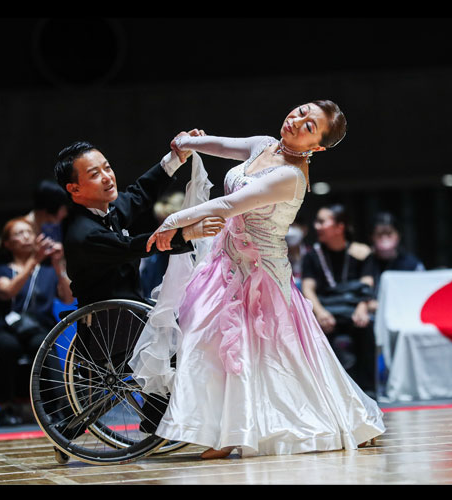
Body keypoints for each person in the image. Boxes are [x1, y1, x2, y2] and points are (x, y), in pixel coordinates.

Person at [130, 100, 385, 460]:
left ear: (317, 148)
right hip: (225, 260)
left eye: (310, 126)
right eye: (300, 112)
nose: (297, 122)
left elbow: (226, 206)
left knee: (256, 351)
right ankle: (222, 427)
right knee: (203, 338)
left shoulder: (290, 177)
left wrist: (174, 220)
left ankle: (235, 433)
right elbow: (224, 145)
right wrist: (190, 143)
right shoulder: (266, 144)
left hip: (260, 274)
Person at [52, 138, 224, 436]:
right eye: (95, 174)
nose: (107, 177)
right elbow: (133, 245)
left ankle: (158, 418)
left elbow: (140, 193)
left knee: (192, 326)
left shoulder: (108, 210)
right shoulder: (82, 233)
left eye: (107, 168)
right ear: (74, 189)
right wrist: (185, 233)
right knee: (184, 341)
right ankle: (160, 418)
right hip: (108, 326)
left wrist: (175, 158)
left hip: (132, 315)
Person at [0, 217, 74, 425]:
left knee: (43, 343)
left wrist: (59, 265)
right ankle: (6, 408)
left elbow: (68, 298)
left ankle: (58, 406)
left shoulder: (49, 271)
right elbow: (6, 292)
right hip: (6, 328)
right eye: (18, 233)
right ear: (7, 243)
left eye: (28, 232)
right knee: (7, 346)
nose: (25, 236)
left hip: (37, 328)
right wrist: (34, 260)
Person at [300, 204, 378, 398]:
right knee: (317, 332)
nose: (316, 226)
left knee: (365, 327)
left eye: (322, 221)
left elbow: (366, 286)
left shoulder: (360, 252)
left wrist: (362, 308)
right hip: (327, 309)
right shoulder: (312, 256)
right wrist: (320, 312)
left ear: (339, 227)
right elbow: (308, 288)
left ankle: (368, 389)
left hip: (352, 308)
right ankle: (328, 392)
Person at [363, 211, 424, 313]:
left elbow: (420, 295)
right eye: (379, 234)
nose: (384, 238)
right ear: (372, 237)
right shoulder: (364, 261)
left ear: (398, 235)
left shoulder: (412, 264)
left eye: (389, 233)